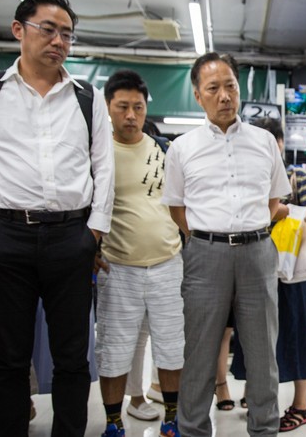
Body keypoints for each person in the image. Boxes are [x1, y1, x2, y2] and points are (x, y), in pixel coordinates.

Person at [0, 0, 114, 436]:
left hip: (71, 239)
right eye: (48, 29)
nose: (58, 41)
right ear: (20, 29)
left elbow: (104, 171)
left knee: (72, 358)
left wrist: (92, 233)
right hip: (5, 238)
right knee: (10, 359)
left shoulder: (87, 98)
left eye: (67, 35)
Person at [162, 52, 290, 437]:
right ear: (198, 96)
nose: (224, 96)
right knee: (199, 354)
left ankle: (264, 431)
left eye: (230, 86)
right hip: (204, 254)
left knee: (263, 355)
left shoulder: (264, 141)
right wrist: (209, 237)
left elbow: (273, 202)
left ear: (239, 90)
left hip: (257, 253)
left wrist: (247, 232)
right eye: (213, 88)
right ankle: (193, 430)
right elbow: (176, 209)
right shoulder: (182, 148)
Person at [95, 70, 184, 437]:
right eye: (122, 107)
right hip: (117, 267)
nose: (130, 115)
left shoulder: (166, 150)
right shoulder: (96, 154)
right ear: (108, 108)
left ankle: (172, 419)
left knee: (172, 345)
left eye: (138, 107)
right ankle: (113, 423)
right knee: (114, 348)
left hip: (168, 263)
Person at [230, 116, 306, 432]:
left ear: (281, 145)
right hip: (252, 269)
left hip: (290, 273)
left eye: (274, 143)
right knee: (253, 337)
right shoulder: (243, 180)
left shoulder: (297, 178)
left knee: (297, 336)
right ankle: (258, 398)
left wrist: (282, 210)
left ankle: (301, 406)